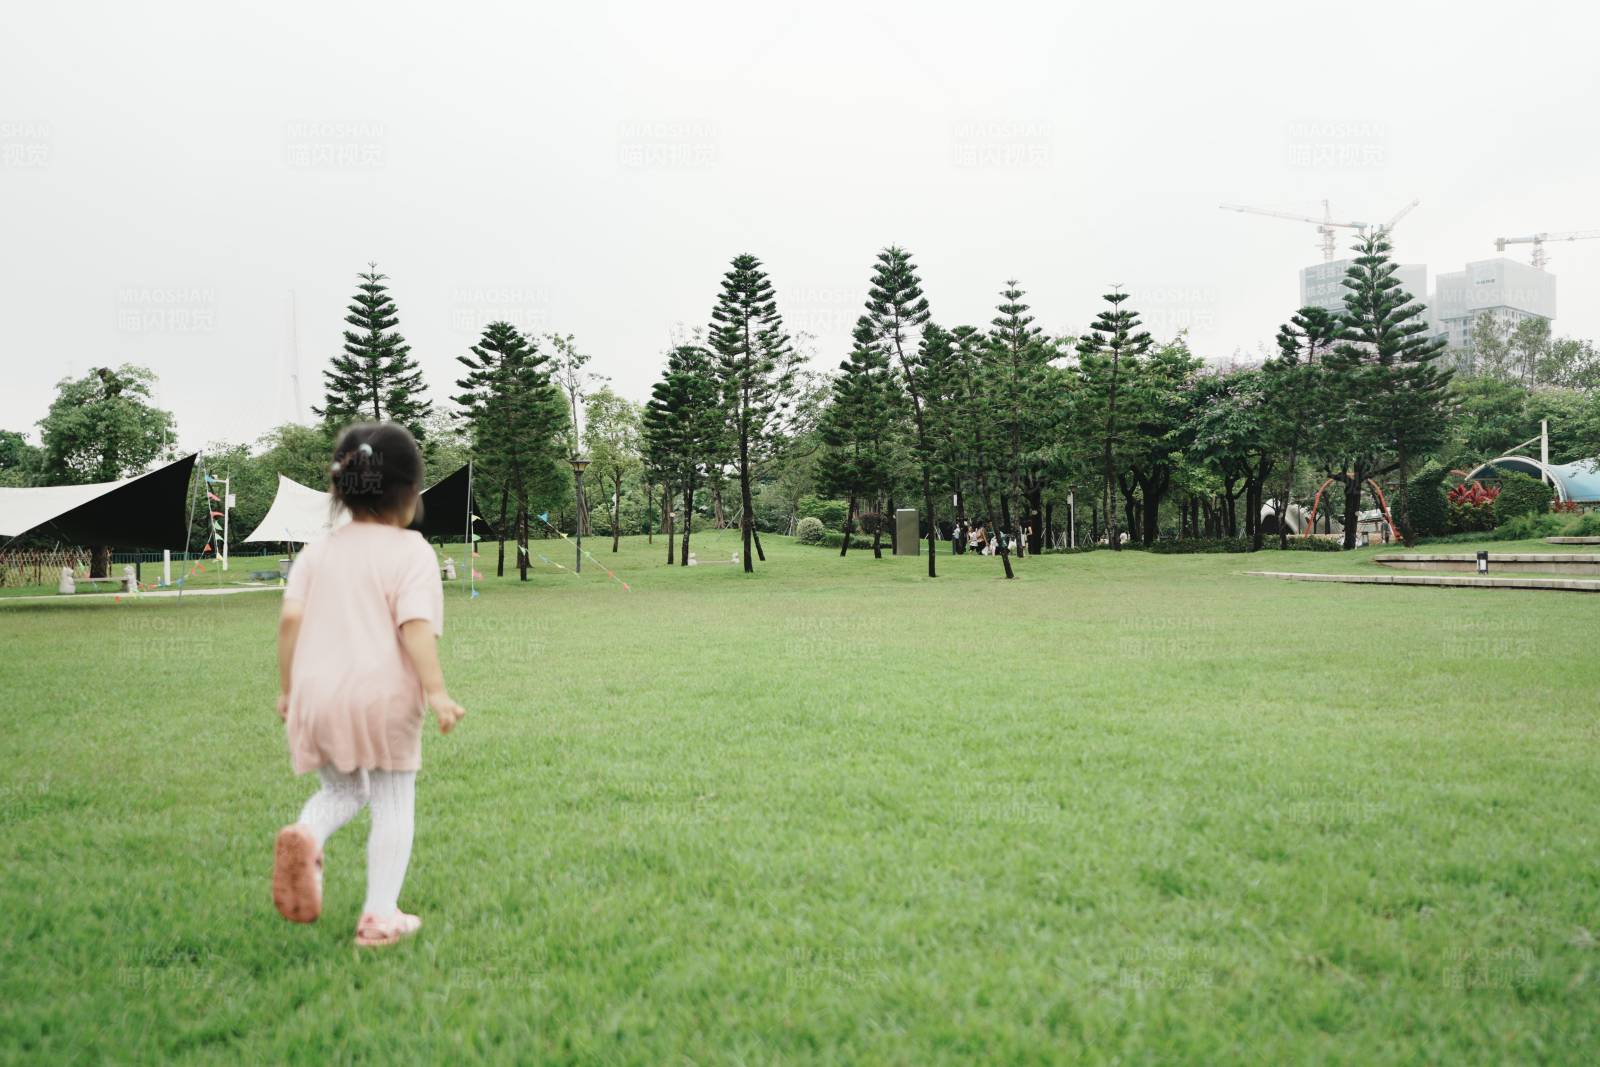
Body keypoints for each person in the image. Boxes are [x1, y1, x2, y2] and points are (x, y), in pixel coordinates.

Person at [271, 423, 467, 948]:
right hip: (383, 698)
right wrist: (438, 692)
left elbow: (290, 622)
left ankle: (307, 835)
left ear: (341, 490)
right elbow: (415, 628)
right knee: (393, 799)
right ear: (409, 493)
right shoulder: (412, 552)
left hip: (316, 695)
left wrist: (288, 690)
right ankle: (379, 917)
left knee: (340, 790)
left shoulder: (317, 552)